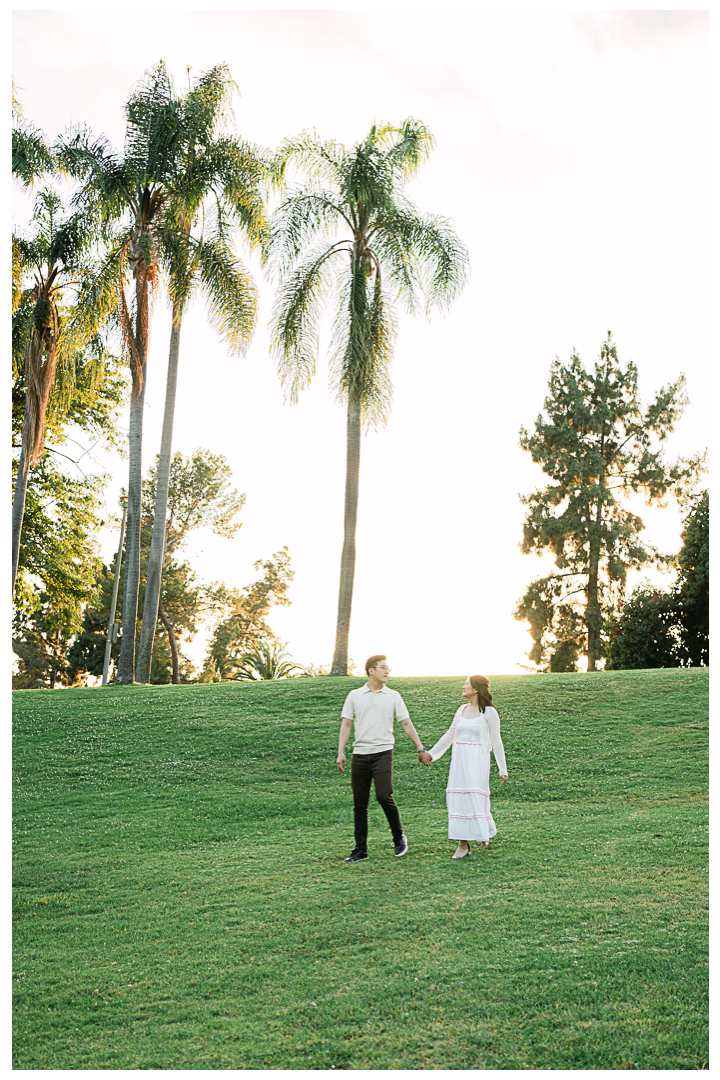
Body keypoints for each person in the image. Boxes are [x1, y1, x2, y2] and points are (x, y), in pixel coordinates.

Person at [337, 655, 428, 862]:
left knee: (383, 795)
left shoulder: (394, 696)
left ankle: (398, 838)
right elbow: (346, 724)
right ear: (371, 671)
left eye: (388, 668)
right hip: (359, 754)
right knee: (359, 804)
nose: (387, 672)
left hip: (383, 753)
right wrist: (341, 751)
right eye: (383, 668)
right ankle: (361, 849)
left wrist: (420, 748)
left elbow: (406, 723)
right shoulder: (354, 695)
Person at [419, 675, 508, 858]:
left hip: (478, 759)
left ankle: (482, 832)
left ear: (476, 689)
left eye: (466, 684)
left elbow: (496, 741)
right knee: (460, 798)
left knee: (474, 796)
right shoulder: (461, 710)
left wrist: (502, 769)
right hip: (460, 760)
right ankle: (463, 844)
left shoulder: (489, 712)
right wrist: (432, 755)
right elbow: (450, 735)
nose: (463, 687)